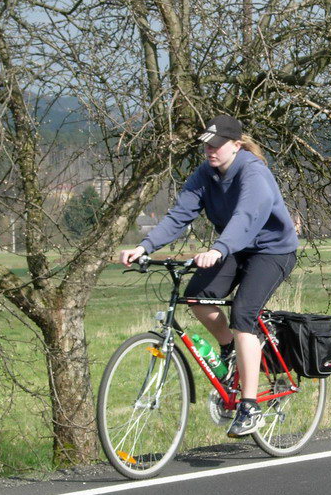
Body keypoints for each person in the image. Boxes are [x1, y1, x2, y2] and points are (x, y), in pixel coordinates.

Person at [119, 114, 299, 437]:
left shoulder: (253, 173)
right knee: (196, 297)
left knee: (243, 313)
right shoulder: (205, 174)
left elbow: (247, 216)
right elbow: (178, 216)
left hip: (272, 250)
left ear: (236, 145)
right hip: (233, 248)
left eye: (217, 146)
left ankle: (249, 406)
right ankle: (230, 347)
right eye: (206, 146)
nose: (210, 151)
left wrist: (218, 249)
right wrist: (145, 247)